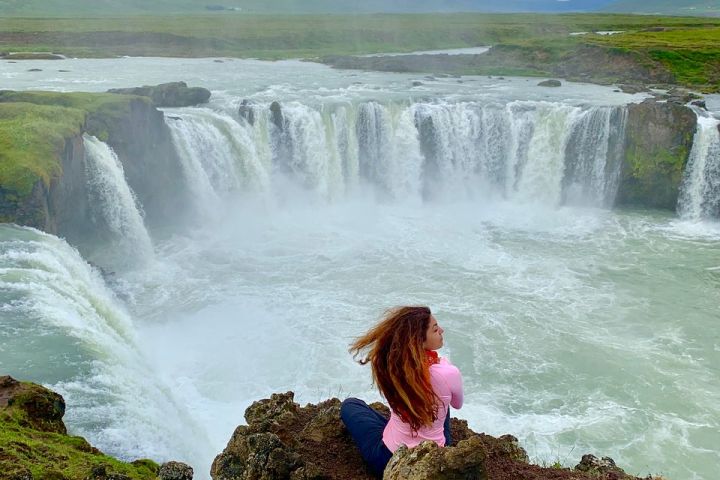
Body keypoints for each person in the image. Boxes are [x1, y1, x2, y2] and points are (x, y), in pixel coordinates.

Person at [340, 306, 464, 476]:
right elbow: (457, 403)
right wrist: (444, 369)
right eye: (435, 329)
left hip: (389, 460)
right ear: (418, 341)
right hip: (435, 458)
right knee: (443, 397)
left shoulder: (391, 367)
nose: (441, 330)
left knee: (350, 404)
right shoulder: (448, 371)